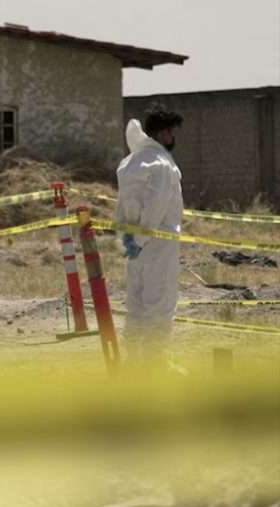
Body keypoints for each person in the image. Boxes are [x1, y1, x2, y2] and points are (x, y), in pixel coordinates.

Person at [115, 104, 185, 368]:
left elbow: (121, 206)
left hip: (133, 245)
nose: (174, 138)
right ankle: (157, 366)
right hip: (159, 244)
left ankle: (133, 363)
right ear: (164, 133)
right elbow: (156, 208)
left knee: (136, 304)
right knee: (160, 304)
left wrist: (128, 240)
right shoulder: (162, 164)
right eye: (173, 132)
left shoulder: (129, 163)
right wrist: (143, 239)